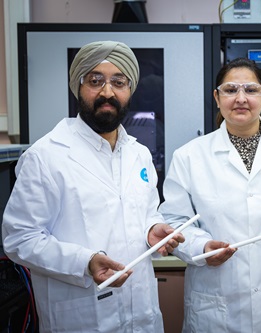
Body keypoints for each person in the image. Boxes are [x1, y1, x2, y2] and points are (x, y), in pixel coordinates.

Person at [1, 41, 185, 332]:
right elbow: (19, 239)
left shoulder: (139, 154)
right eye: (95, 80)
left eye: (119, 82)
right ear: (78, 87)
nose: (107, 92)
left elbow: (146, 212)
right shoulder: (46, 155)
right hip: (81, 316)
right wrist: (85, 262)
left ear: (130, 89)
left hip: (143, 314)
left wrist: (153, 230)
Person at [158, 57, 261, 333]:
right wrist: (201, 248)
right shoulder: (189, 156)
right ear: (217, 97)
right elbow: (175, 221)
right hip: (216, 310)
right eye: (230, 89)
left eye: (250, 90)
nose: (240, 98)